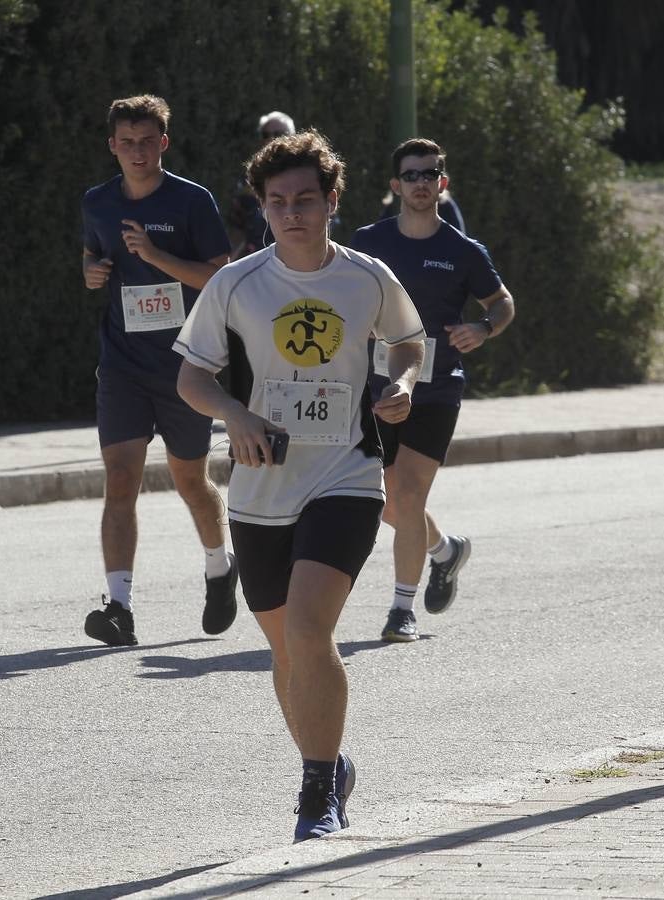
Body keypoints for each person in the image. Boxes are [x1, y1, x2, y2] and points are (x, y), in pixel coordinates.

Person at [175, 131, 425, 841]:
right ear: (262, 206)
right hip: (260, 488)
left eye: (306, 200)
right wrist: (234, 414)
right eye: (278, 201)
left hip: (347, 475)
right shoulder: (235, 284)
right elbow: (191, 377)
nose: (292, 213)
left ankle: (316, 796)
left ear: (332, 201)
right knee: (288, 652)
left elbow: (409, 341)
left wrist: (403, 382)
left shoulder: (367, 277)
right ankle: (332, 763)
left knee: (312, 630)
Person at [79, 94, 238, 647]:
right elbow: (92, 254)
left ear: (163, 142)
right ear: (112, 146)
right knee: (120, 478)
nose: (138, 151)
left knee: (190, 480)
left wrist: (155, 256)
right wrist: (92, 271)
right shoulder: (97, 201)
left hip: (185, 365)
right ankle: (118, 607)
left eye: (147, 141)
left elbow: (219, 277)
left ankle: (220, 568)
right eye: (127, 142)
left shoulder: (192, 200)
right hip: (122, 363)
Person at [350, 138, 515, 643]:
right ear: (395, 185)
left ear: (442, 183)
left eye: (430, 174)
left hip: (437, 387)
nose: (421, 183)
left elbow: (502, 302)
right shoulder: (368, 241)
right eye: (411, 175)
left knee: (408, 492)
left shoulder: (463, 250)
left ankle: (401, 609)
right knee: (384, 501)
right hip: (377, 387)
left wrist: (483, 327)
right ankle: (445, 550)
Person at [225, 111, 295, 260]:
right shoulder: (249, 177)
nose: (271, 139)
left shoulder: (307, 175)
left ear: (293, 137)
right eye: (265, 134)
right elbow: (236, 227)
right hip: (254, 261)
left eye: (278, 134)